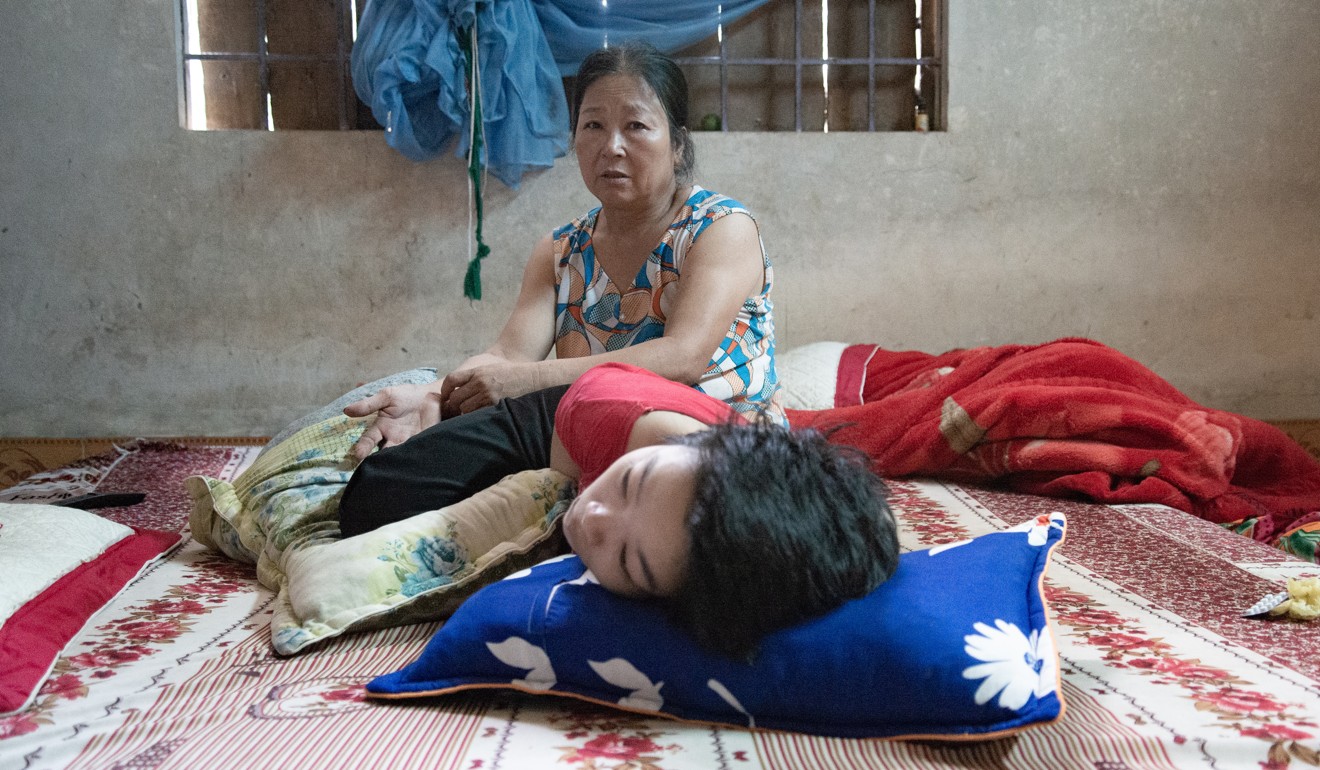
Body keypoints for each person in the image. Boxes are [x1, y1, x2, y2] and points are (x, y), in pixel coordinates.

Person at [344, 40, 784, 463]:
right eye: (593, 125)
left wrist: (525, 381)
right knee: (407, 474)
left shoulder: (720, 228)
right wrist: (434, 395)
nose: (611, 146)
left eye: (636, 126)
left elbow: (682, 358)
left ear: (678, 145)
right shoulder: (562, 251)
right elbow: (507, 358)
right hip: (602, 445)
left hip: (725, 450)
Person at [341, 362, 899, 660]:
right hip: (570, 412)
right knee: (374, 500)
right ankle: (428, 390)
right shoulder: (617, 425)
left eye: (631, 562)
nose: (594, 519)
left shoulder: (715, 514)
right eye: (631, 485)